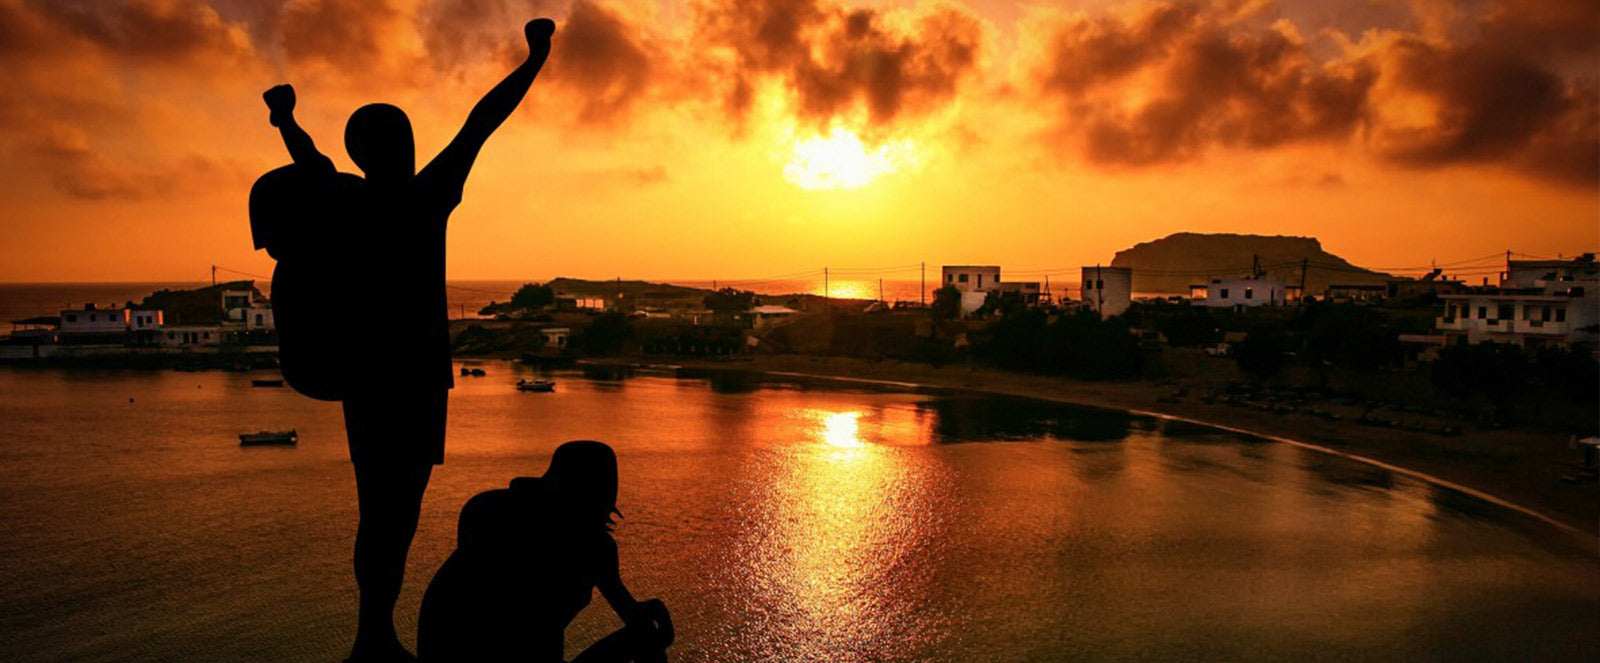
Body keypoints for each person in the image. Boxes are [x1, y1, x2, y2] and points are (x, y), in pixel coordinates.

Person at [260, 17, 556, 663]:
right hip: (418, 377)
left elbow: (310, 162)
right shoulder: (427, 196)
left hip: (367, 376)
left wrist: (285, 118)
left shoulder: (345, 200)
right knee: (400, 511)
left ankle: (373, 631)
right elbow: (484, 120)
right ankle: (375, 636)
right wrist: (535, 59)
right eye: (405, 135)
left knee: (380, 508)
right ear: (400, 146)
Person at [417, 441, 673, 662]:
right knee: (645, 634)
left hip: (440, 652)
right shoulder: (593, 546)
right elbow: (636, 624)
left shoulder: (485, 509)